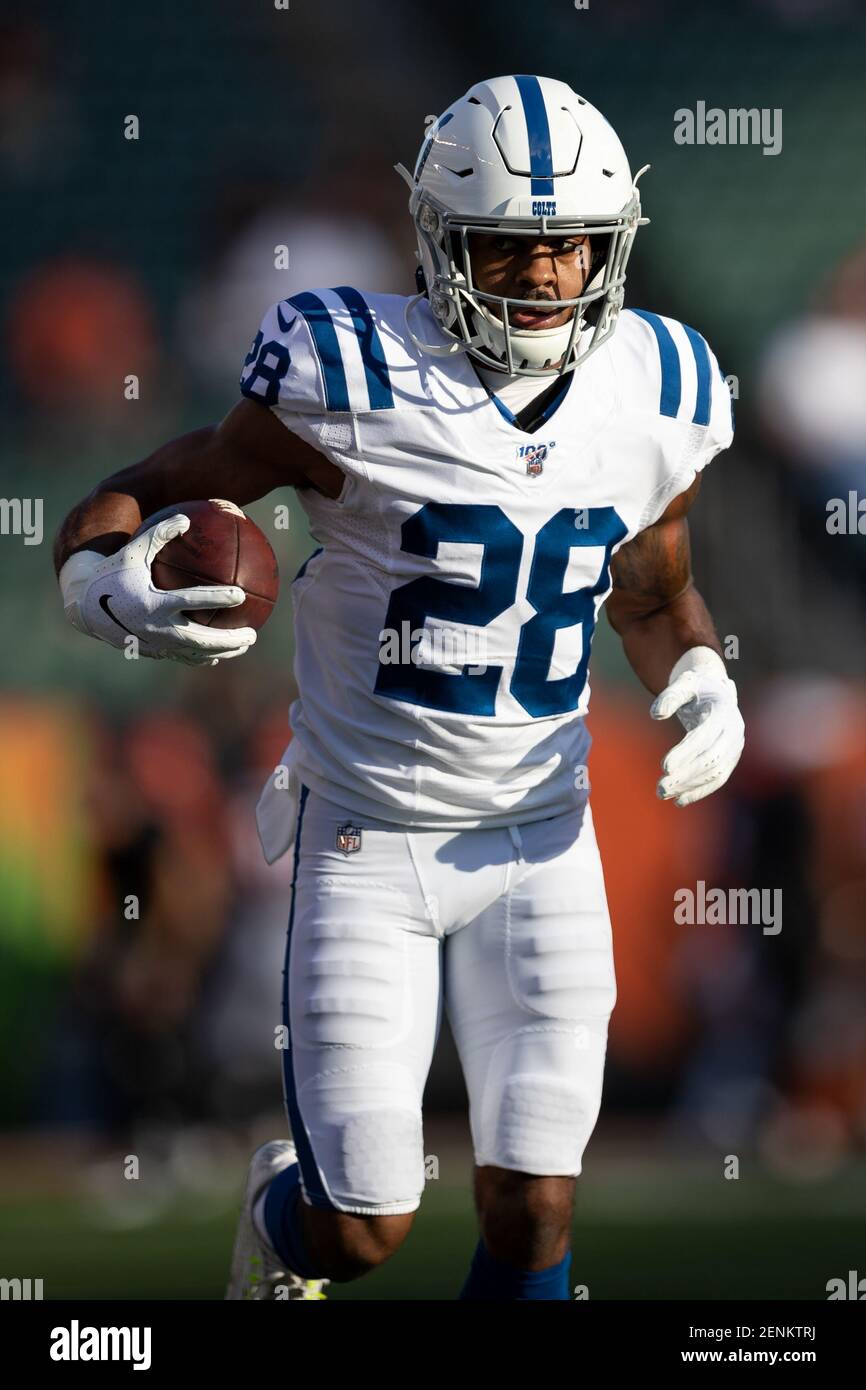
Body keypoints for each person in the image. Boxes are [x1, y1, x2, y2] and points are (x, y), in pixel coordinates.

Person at [54, 75, 744, 1302]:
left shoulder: (657, 388)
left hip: (542, 835)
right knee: (360, 1228)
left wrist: (697, 669)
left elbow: (647, 588)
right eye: (511, 248)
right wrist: (105, 584)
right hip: (367, 837)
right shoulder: (348, 369)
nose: (543, 277)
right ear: (438, 241)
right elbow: (147, 483)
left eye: (569, 245)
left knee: (533, 1203)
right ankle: (279, 1221)